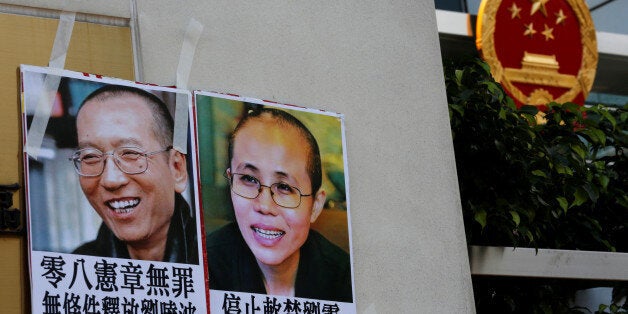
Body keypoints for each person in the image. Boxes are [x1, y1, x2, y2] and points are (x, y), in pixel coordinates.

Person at [206, 107, 353, 302]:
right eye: (249, 179)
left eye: (284, 187)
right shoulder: (205, 268)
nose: (264, 206)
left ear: (315, 206)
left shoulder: (342, 280)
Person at [71, 85, 198, 264]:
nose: (110, 180)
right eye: (91, 157)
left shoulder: (218, 264)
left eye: (130, 153)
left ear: (176, 168)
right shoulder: (79, 267)